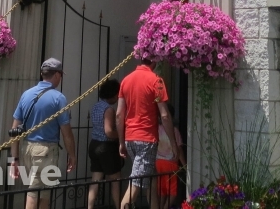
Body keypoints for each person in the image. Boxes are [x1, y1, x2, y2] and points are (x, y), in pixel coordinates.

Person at [116, 60, 185, 209]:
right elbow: (165, 115)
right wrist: (173, 144)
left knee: (151, 177)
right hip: (146, 139)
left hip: (130, 138)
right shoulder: (156, 80)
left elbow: (119, 114)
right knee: (136, 183)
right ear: (154, 61)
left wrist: (121, 142)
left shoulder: (126, 80)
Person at [10, 58, 77, 209]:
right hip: (45, 152)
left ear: (42, 74)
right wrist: (72, 155)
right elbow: (66, 133)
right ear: (57, 75)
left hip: (27, 149)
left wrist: (14, 158)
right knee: (35, 194)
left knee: (43, 195)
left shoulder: (26, 95)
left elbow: (14, 129)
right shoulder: (58, 98)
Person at [86, 78, 123, 209]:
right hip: (106, 147)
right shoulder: (109, 110)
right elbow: (108, 132)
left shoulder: (95, 106)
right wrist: (121, 135)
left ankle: (89, 207)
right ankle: (119, 206)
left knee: (95, 179)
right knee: (115, 180)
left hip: (94, 144)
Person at [155, 103, 183, 209]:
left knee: (162, 191)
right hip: (170, 163)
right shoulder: (174, 131)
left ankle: (160, 206)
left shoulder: (157, 129)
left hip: (158, 163)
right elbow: (179, 149)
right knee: (172, 192)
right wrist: (184, 165)